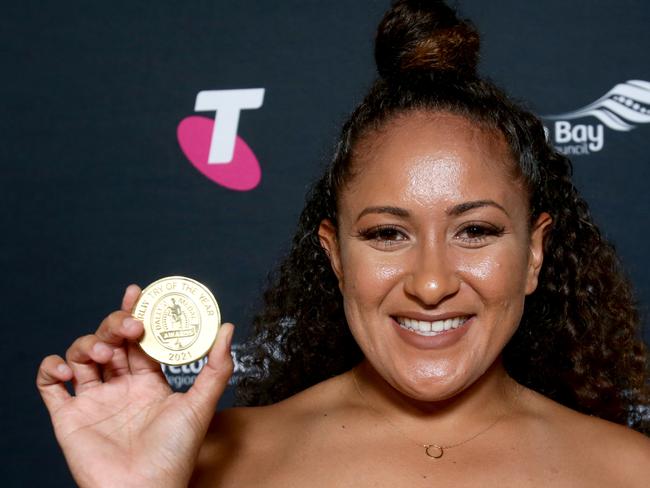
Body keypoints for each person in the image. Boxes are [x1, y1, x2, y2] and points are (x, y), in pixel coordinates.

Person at [37, 1, 650, 486]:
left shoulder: (632, 472)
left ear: (534, 254)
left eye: (475, 231)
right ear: (334, 255)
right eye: (387, 233)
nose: (431, 284)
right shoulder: (206, 463)